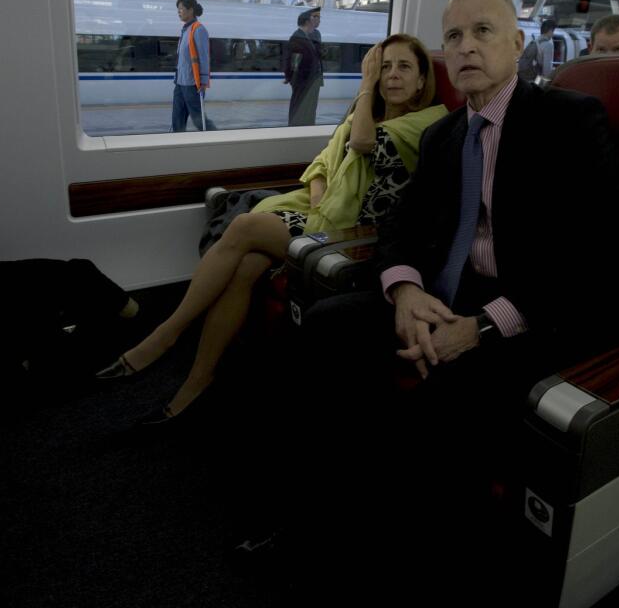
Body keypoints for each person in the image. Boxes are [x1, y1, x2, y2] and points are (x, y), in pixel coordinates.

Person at [250, 0, 619, 591]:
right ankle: (321, 517)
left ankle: (419, 555)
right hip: (445, 295)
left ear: (518, 44)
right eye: (453, 37)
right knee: (326, 324)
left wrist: (479, 328)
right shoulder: (444, 136)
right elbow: (401, 228)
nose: (466, 47)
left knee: (453, 386)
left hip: (540, 309)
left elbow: (596, 260)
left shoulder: (570, 121)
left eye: (483, 31)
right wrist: (403, 291)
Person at [97, 33, 448, 424]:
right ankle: (198, 380)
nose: (391, 76)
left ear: (422, 81)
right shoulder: (365, 113)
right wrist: (319, 197)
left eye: (404, 67)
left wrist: (365, 88)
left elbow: (364, 143)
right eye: (384, 67)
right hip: (321, 216)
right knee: (246, 265)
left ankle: (168, 332)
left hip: (355, 236)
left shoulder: (427, 125)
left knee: (245, 226)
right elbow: (322, 164)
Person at [171, 0, 216, 132]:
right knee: (177, 119)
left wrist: (203, 82)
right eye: (177, 9)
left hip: (192, 84)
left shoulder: (198, 30)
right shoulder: (185, 30)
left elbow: (203, 58)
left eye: (181, 9)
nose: (179, 12)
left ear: (191, 10)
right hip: (180, 83)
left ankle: (215, 138)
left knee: (199, 120)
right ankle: (178, 143)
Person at [283, 7, 323, 126]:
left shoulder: (311, 36)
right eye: (316, 18)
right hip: (303, 80)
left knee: (309, 108)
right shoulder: (298, 38)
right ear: (307, 21)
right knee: (299, 106)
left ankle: (307, 126)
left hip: (310, 80)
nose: (319, 21)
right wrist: (291, 78)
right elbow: (293, 62)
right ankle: (296, 127)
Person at [516, 17, 557, 82]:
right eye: (553, 31)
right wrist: (546, 84)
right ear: (550, 31)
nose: (553, 34)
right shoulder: (548, 45)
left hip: (524, 77)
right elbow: (546, 70)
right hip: (535, 78)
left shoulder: (534, 42)